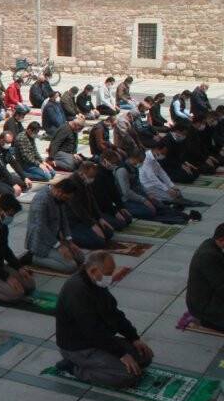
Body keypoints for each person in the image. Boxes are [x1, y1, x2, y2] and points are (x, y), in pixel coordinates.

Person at [55, 251, 152, 388]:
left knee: (145, 356)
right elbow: (92, 330)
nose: (110, 277)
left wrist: (134, 338)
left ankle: (103, 362)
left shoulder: (95, 282)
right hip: (79, 347)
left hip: (99, 339)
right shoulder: (76, 290)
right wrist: (121, 354)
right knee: (128, 376)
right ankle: (73, 367)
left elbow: (114, 313)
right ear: (93, 271)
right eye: (108, 273)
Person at [114, 150, 190, 224]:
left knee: (159, 205)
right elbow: (126, 192)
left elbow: (139, 184)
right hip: (126, 200)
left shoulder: (134, 167)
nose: (141, 163)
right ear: (132, 158)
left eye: (142, 161)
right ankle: (125, 210)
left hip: (137, 195)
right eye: (140, 161)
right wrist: (144, 200)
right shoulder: (122, 171)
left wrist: (148, 195)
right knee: (149, 212)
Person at [25, 179, 84, 273]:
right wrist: (59, 246)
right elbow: (41, 228)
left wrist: (69, 241)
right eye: (66, 198)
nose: (67, 201)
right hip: (40, 242)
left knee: (80, 257)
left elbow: (64, 220)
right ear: (59, 191)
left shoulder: (59, 199)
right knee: (71, 266)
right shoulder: (41, 200)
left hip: (54, 240)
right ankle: (34, 258)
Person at [65, 161, 115, 249]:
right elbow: (78, 209)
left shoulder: (84, 181)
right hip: (73, 221)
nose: (92, 179)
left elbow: (92, 200)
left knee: (109, 232)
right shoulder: (71, 184)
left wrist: (99, 218)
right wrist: (92, 225)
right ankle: (67, 237)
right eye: (91, 177)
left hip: (85, 218)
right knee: (99, 242)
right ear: (82, 173)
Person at [140, 143, 206, 209]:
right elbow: (152, 178)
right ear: (156, 149)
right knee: (171, 197)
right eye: (163, 153)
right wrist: (167, 190)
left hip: (155, 183)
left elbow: (162, 173)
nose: (163, 155)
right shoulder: (146, 158)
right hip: (147, 185)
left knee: (177, 192)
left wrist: (172, 186)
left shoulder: (154, 157)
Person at [186, 223, 224, 332]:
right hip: (205, 309)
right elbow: (221, 287)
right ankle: (207, 321)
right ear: (222, 239)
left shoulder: (211, 244)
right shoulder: (208, 256)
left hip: (208, 299)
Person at [0, 131, 31, 197]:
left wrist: (25, 177)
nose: (9, 145)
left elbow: (14, 163)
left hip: (2, 176)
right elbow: (2, 168)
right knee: (12, 191)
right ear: (1, 140)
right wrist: (13, 184)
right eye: (7, 142)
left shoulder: (5, 148)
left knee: (25, 185)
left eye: (10, 143)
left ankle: (6, 186)